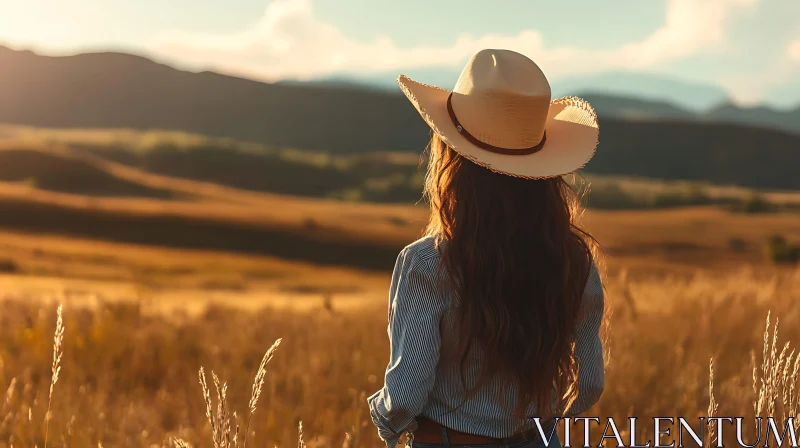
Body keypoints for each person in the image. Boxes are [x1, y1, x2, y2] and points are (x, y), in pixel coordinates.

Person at [367, 49, 605, 448]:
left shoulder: (428, 263)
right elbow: (591, 383)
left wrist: (384, 419)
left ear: (452, 161)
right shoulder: (574, 261)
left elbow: (406, 394)